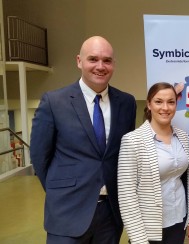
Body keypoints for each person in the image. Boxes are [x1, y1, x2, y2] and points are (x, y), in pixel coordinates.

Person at [30, 36, 137, 244]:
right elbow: (39, 157)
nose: (100, 66)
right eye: (93, 59)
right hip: (67, 212)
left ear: (113, 64)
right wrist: (62, 189)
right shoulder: (54, 102)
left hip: (110, 214)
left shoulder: (126, 102)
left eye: (107, 60)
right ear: (79, 61)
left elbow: (124, 155)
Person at [118, 82, 189, 243]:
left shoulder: (182, 136)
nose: (165, 107)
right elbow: (127, 195)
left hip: (179, 220)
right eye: (158, 101)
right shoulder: (133, 140)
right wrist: (139, 239)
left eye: (171, 102)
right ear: (149, 104)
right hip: (149, 228)